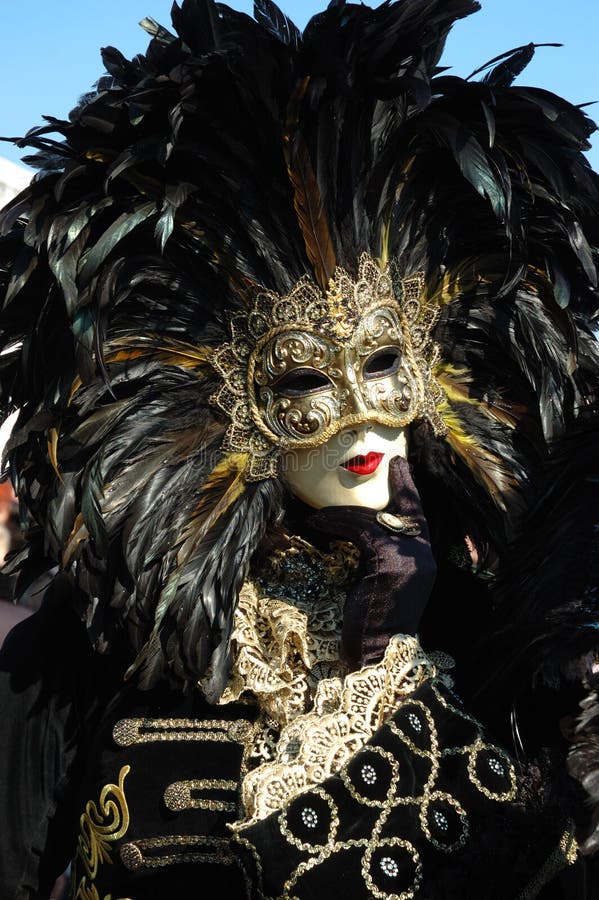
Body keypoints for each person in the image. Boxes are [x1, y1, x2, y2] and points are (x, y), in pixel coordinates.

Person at [0, 0, 598, 897]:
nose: (362, 420)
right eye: (303, 384)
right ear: (217, 401)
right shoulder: (89, 647)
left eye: (385, 364)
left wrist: (387, 669)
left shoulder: (497, 643)